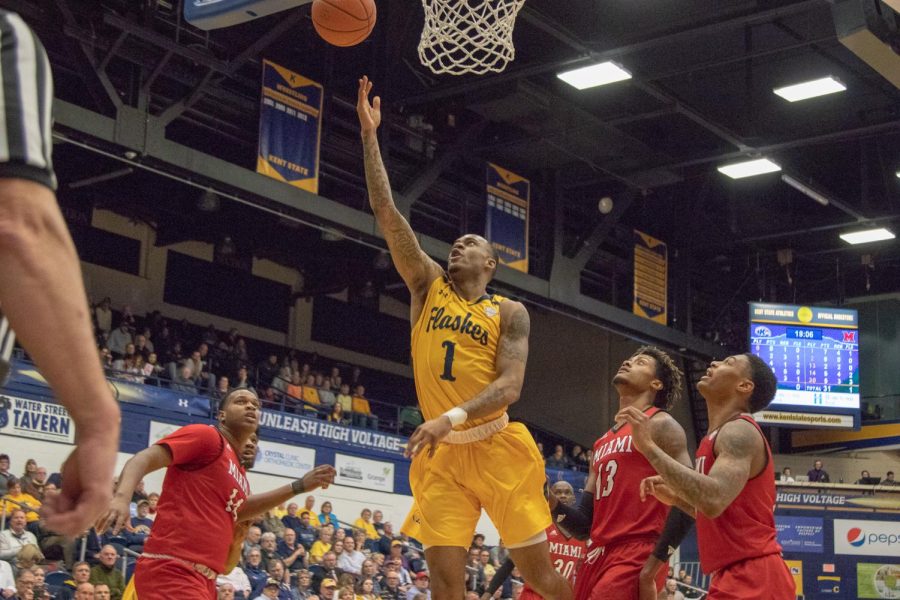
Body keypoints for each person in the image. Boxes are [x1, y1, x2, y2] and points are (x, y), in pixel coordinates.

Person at [358, 75, 571, 600]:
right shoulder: (428, 285)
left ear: (491, 264)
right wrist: (369, 136)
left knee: (541, 578)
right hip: (442, 457)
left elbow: (509, 387)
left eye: (471, 243)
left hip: (498, 445)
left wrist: (448, 417)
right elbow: (387, 214)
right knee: (444, 588)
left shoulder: (511, 311)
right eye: (456, 241)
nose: (459, 245)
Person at [97, 388, 336, 599]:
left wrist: (299, 487)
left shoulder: (239, 474)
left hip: (205, 580)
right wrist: (121, 496)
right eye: (241, 401)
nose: (251, 406)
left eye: (256, 404)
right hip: (173, 569)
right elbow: (144, 457)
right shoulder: (208, 437)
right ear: (221, 415)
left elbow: (241, 510)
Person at [627, 353, 795, 600]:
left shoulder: (740, 430)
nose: (714, 363)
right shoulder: (715, 437)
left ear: (744, 386)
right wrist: (679, 499)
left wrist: (649, 447)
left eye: (728, 363)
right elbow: (723, 513)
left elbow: (713, 499)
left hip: (756, 576)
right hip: (737, 575)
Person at [550, 347, 694, 600]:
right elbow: (585, 526)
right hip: (596, 553)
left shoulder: (662, 425)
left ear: (656, 383)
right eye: (628, 359)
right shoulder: (601, 443)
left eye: (640, 362)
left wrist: (654, 565)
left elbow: (692, 498)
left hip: (637, 550)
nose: (627, 362)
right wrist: (549, 501)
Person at [483, 481, 586, 600]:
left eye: (567, 493)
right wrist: (488, 593)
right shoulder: (538, 526)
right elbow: (510, 563)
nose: (563, 495)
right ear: (549, 497)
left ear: (573, 498)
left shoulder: (582, 535)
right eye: (557, 492)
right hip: (534, 595)